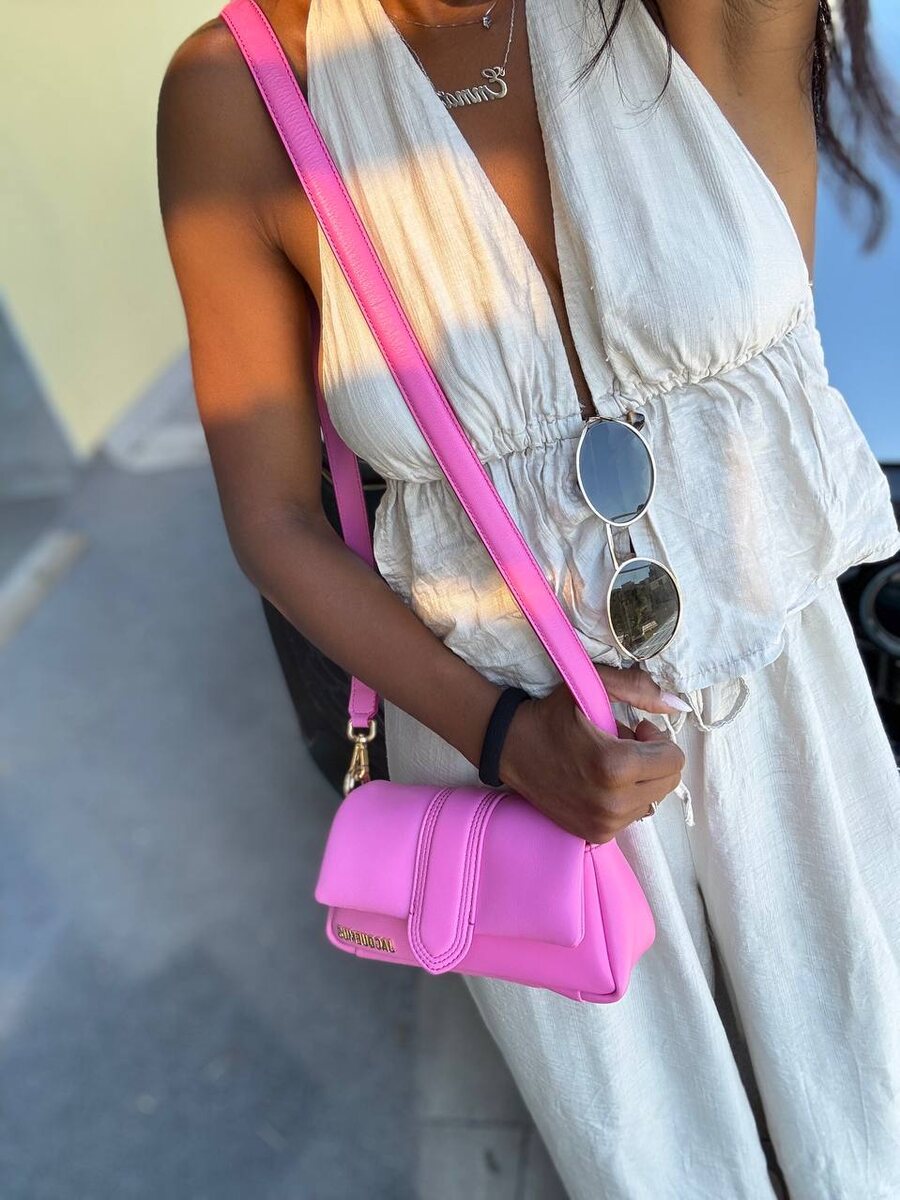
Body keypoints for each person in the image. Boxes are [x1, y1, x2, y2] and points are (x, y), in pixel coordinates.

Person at [157, 1, 900, 1195]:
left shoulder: (675, 16)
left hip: (783, 690)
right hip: (505, 753)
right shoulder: (240, 85)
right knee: (656, 1167)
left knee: (877, 1099)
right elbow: (274, 517)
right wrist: (506, 737)